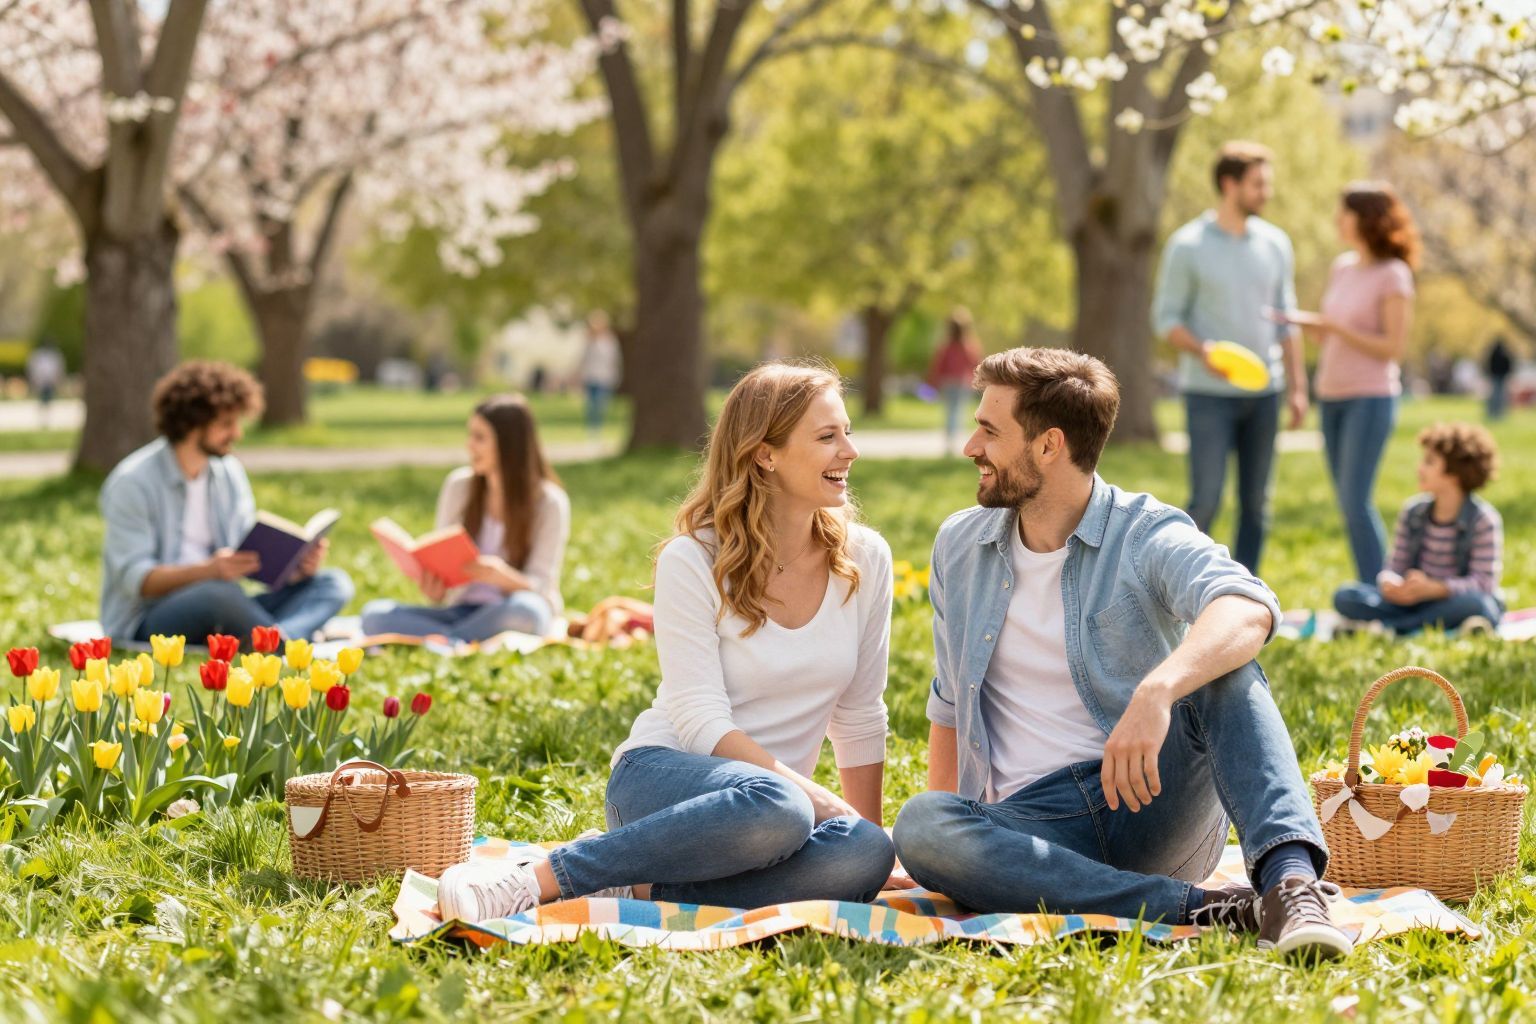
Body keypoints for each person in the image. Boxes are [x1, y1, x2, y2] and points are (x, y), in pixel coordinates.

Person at [892, 347, 1351, 960]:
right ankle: (1206, 909)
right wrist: (943, 851)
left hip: (1146, 804)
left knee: (1225, 672)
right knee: (922, 823)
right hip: (1031, 832)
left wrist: (1158, 690)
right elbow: (949, 704)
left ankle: (1292, 890)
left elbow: (1247, 605)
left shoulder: (1144, 532)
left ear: (1049, 445)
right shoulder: (960, 544)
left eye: (989, 431)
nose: (971, 447)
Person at [436, 362, 898, 922]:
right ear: (765, 454)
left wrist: (866, 832)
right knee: (780, 806)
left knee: (865, 854)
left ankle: (635, 886)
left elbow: (860, 714)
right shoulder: (694, 558)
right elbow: (700, 721)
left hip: (768, 818)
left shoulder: (865, 559)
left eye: (848, 431)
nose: (850, 450)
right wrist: (812, 797)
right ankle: (541, 878)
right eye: (827, 436)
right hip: (665, 780)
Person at [99, 361, 353, 643]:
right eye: (226, 424)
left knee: (333, 583)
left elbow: (247, 555)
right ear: (192, 424)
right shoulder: (134, 482)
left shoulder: (228, 472)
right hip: (152, 616)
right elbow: (137, 581)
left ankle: (278, 638)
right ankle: (283, 642)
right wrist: (207, 571)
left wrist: (295, 569)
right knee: (219, 593)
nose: (237, 433)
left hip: (225, 604)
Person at [1152, 141, 1308, 575]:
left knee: (1256, 504)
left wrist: (1298, 388)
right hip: (1208, 395)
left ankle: (1244, 595)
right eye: (1258, 184)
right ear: (1228, 183)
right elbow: (1165, 319)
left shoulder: (1276, 243)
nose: (1266, 193)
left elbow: (1287, 321)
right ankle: (1181, 586)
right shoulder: (1187, 245)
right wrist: (1203, 350)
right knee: (1206, 499)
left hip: (1266, 394)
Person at [1278, 183, 1419, 583]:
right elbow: (1333, 335)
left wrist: (1335, 327)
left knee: (1356, 501)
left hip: (1370, 398)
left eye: (1345, 213)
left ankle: (1378, 590)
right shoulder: (1342, 267)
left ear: (1366, 218)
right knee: (1346, 502)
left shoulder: (1393, 274)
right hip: (1332, 396)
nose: (1338, 220)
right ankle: (1373, 586)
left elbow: (1392, 348)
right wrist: (1310, 326)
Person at [360, 395, 569, 642]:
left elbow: (542, 586)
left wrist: (501, 576)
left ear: (509, 444)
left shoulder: (549, 503)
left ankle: (448, 641)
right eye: (470, 435)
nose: (469, 445)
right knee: (374, 615)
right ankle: (457, 640)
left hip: (508, 609)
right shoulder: (459, 486)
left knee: (527, 612)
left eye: (480, 437)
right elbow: (442, 566)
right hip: (460, 612)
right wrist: (435, 589)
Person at [1333, 423, 1503, 635]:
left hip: (1451, 601)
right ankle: (1413, 625)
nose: (1419, 469)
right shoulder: (1413, 512)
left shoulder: (1483, 520)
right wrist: (1390, 583)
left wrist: (1435, 589)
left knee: (1479, 605)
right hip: (1411, 602)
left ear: (1455, 473)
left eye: (1429, 462)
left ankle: (1388, 628)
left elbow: (1483, 584)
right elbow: (1394, 566)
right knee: (1345, 596)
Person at [926, 308, 985, 454]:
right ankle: (953, 440)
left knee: (951, 411)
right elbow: (976, 364)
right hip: (962, 383)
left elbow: (938, 366)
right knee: (958, 411)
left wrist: (933, 382)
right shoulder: (968, 346)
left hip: (949, 383)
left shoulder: (946, 346)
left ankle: (951, 440)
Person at [578, 310, 623, 435]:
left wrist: (615, 375)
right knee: (591, 405)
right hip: (590, 376)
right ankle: (592, 429)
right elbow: (583, 359)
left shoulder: (609, 341)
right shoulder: (589, 340)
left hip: (604, 377)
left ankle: (598, 427)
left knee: (600, 404)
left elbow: (614, 359)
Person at [25, 342, 64, 429]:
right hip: (41, 381)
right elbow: (32, 368)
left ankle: (46, 419)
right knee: (42, 400)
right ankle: (42, 419)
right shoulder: (38, 355)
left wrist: (57, 379)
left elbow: (59, 368)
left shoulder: (54, 355)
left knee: (48, 400)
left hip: (50, 381)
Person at [1486, 336, 1514, 421]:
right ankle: (1497, 411)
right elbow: (1508, 364)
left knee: (1496, 394)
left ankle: (1495, 411)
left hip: (1496, 376)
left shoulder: (1493, 353)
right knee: (1499, 395)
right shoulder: (1504, 354)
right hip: (1501, 376)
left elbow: (1489, 364)